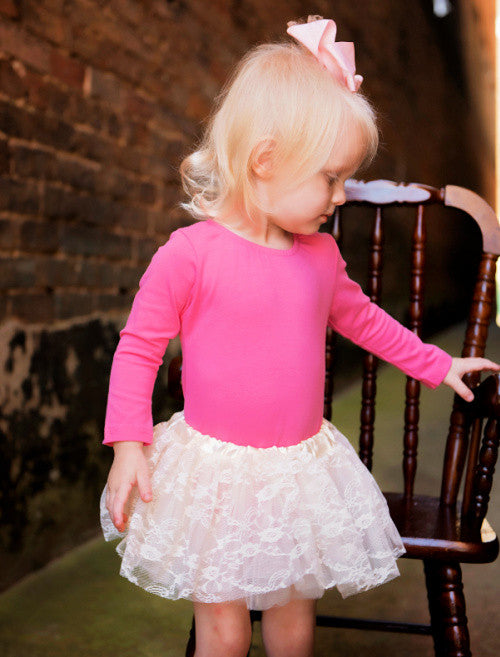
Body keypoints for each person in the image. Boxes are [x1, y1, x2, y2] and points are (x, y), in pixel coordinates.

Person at [99, 16, 499, 657]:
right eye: (330, 178)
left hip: (299, 473)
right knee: (224, 633)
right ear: (265, 160)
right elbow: (139, 346)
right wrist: (128, 442)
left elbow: (365, 320)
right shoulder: (189, 255)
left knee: (292, 626)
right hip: (217, 474)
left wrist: (436, 364)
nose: (341, 197)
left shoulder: (318, 258)